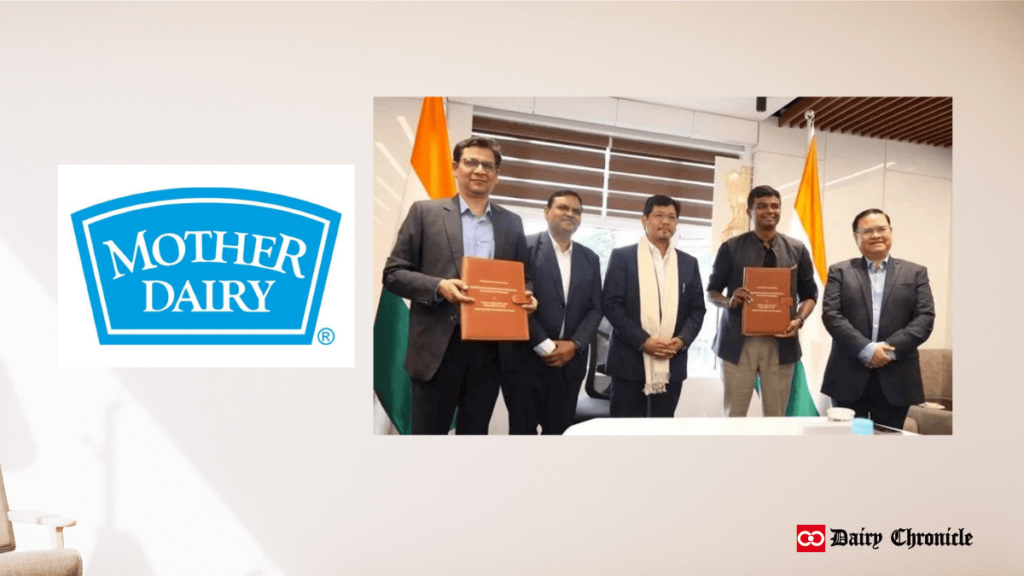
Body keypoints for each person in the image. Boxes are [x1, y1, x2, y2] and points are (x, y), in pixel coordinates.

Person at [383, 137, 537, 434]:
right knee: (428, 437)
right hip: (437, 350)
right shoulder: (425, 213)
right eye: (471, 162)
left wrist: (527, 299)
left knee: (474, 439)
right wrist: (438, 286)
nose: (480, 170)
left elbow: (523, 278)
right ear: (455, 167)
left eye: (488, 165)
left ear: (497, 174)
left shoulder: (512, 223)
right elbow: (393, 274)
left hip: (490, 352)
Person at [707, 185, 817, 417]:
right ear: (750, 212)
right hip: (738, 342)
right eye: (762, 206)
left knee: (776, 416)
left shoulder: (797, 249)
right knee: (734, 415)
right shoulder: (730, 248)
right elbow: (712, 291)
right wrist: (729, 301)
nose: (770, 211)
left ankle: (771, 454)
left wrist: (799, 319)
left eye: (775, 206)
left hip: (781, 342)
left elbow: (810, 295)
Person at [821, 209, 935, 430]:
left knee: (889, 447)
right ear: (857, 237)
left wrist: (887, 350)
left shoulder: (915, 273)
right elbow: (831, 315)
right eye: (868, 231)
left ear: (891, 232)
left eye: (881, 229)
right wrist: (867, 349)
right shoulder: (840, 272)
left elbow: (925, 319)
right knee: (849, 444)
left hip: (897, 376)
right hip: (848, 374)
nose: (876, 235)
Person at [502, 190, 602, 434]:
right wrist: (545, 345)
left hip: (569, 366)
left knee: (559, 436)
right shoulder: (522, 248)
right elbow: (515, 302)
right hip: (525, 361)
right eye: (563, 208)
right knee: (521, 436)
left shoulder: (590, 258)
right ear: (547, 212)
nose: (570, 214)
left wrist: (575, 344)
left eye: (577, 211)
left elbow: (595, 308)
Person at [603, 195, 706, 418]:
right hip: (629, 362)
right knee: (625, 434)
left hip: (672, 361)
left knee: (661, 432)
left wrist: (682, 341)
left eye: (672, 217)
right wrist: (643, 341)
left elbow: (698, 309)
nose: (665, 222)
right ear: (644, 220)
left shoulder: (688, 263)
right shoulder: (623, 257)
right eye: (659, 215)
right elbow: (612, 305)